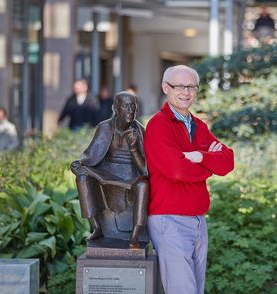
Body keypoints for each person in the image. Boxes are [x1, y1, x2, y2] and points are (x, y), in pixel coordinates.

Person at [144, 65, 234, 294]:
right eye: (180, 86)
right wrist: (209, 166)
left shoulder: (197, 125)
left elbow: (227, 161)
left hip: (197, 220)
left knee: (195, 289)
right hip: (169, 220)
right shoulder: (159, 125)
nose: (186, 92)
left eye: (191, 87)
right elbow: (177, 171)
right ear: (166, 87)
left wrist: (200, 156)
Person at [71, 91, 149, 248]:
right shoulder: (104, 127)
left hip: (131, 180)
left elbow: (146, 170)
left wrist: (133, 148)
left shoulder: (140, 131)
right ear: (115, 108)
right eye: (125, 106)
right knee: (83, 178)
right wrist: (79, 163)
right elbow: (90, 155)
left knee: (144, 186)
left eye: (133, 106)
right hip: (106, 177)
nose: (130, 110)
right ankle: (97, 227)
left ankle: (135, 235)